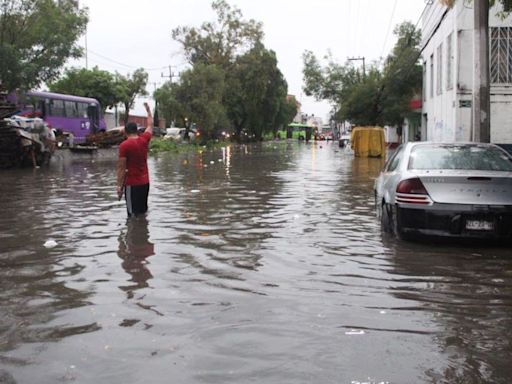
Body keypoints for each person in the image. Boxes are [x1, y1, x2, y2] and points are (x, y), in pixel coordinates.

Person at [117, 102, 153, 216]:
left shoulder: (124, 145)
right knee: (142, 213)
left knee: (132, 216)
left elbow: (121, 168)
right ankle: (143, 233)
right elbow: (150, 125)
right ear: (137, 130)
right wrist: (148, 111)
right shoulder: (144, 140)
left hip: (132, 185)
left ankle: (134, 233)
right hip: (145, 183)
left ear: (126, 132)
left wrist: (119, 187)